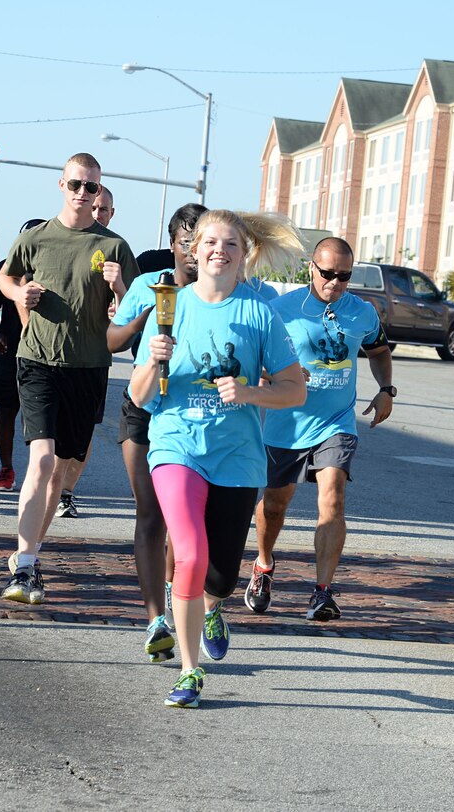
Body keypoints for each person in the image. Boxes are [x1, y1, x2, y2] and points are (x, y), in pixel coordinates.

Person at [131, 209, 307, 709]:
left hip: (237, 457)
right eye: (209, 241)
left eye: (230, 243)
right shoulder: (171, 309)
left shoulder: (258, 314)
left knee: (222, 574)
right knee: (188, 553)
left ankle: (213, 607)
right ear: (193, 249)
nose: (218, 251)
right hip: (176, 445)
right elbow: (141, 395)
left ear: (242, 253)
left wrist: (250, 391)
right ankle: (190, 671)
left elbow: (294, 390)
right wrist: (156, 360)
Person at [0, 152, 138, 605]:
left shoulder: (114, 247)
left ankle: (30, 556)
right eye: (76, 184)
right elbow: (6, 276)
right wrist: (20, 292)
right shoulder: (37, 238)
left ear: (99, 191)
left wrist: (118, 289)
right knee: (40, 461)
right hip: (37, 361)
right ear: (62, 185)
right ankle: (24, 565)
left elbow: (131, 314)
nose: (83, 193)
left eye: (91, 187)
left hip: (89, 367)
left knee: (62, 471)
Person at [245, 237, 393, 622]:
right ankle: (263, 565)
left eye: (343, 276)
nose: (334, 283)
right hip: (286, 423)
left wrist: (385, 390)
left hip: (337, 421)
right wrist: (276, 374)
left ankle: (322, 592)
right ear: (312, 267)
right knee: (275, 506)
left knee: (333, 498)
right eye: (327, 274)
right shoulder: (282, 310)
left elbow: (378, 351)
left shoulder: (362, 312)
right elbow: (254, 359)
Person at [107, 202, 206, 662]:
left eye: (200, 242)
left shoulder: (216, 295)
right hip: (143, 405)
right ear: (173, 244)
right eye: (185, 243)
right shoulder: (150, 284)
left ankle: (179, 595)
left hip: (188, 413)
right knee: (150, 513)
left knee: (180, 519)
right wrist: (141, 319)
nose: (193, 252)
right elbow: (111, 340)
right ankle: (155, 620)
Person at [54, 184, 117, 518]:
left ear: (111, 213)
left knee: (84, 430)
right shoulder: (62, 239)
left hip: (94, 358)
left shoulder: (116, 249)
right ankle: (48, 486)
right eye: (92, 207)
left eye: (103, 208)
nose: (97, 213)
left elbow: (132, 307)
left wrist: (118, 304)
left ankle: (67, 491)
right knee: (51, 431)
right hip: (55, 354)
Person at [0, 218, 44, 491]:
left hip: (46, 354)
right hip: (11, 352)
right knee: (6, 410)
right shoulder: (6, 269)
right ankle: (6, 469)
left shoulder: (53, 270)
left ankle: (38, 473)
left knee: (40, 418)